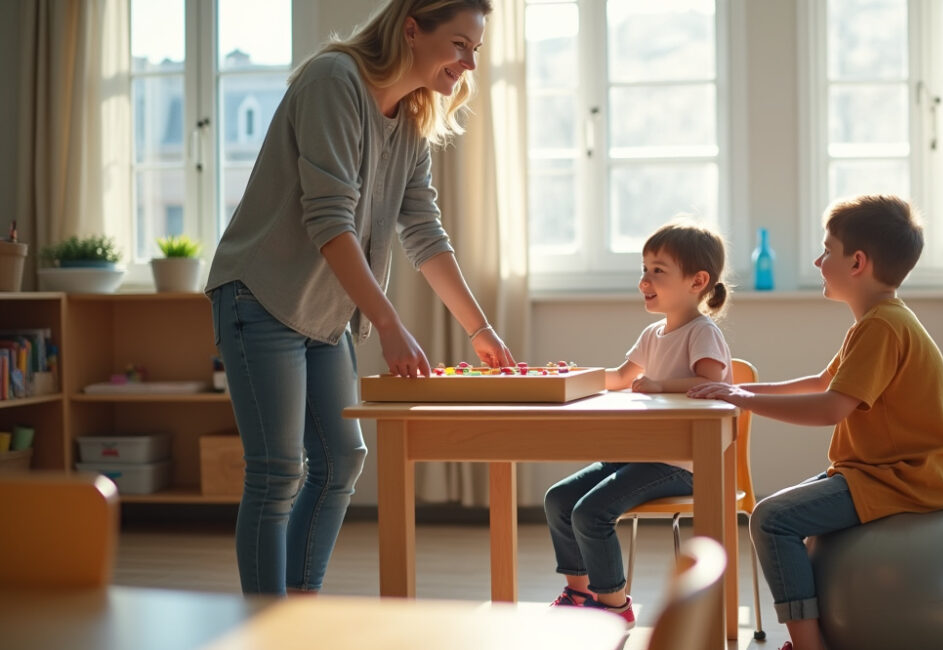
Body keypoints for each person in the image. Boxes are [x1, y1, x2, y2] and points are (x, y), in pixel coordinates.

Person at [205, 0, 512, 596]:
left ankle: (298, 607)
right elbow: (330, 221)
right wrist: (390, 324)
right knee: (277, 472)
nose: (468, 63)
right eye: (459, 44)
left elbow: (423, 230)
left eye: (475, 49)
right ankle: (266, 626)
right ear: (411, 29)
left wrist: (480, 330)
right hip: (260, 294)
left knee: (341, 459)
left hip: (323, 313)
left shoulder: (415, 115)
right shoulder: (334, 81)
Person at [688, 195, 943, 650]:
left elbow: (829, 407)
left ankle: (807, 645)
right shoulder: (879, 321)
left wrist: (743, 397)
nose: (819, 261)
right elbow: (823, 381)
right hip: (879, 471)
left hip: (903, 480)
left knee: (771, 518)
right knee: (789, 512)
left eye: (827, 251)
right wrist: (737, 393)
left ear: (857, 262)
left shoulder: (882, 327)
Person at [543, 220, 734, 628]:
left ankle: (614, 608)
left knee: (590, 513)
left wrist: (663, 384)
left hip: (682, 464)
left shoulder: (702, 332)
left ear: (698, 281)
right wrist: (572, 376)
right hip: (641, 455)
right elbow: (619, 377)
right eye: (644, 269)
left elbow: (714, 383)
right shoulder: (653, 333)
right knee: (559, 500)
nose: (644, 280)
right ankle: (579, 594)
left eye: (657, 271)